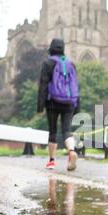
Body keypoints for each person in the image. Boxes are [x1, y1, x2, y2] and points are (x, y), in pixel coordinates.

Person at [37, 38, 79, 171]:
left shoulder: (48, 63)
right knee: (67, 130)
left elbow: (43, 85)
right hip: (69, 102)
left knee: (53, 131)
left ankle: (51, 161)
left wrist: (40, 106)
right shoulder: (71, 63)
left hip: (53, 101)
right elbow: (76, 86)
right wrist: (77, 106)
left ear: (51, 48)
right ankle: (71, 151)